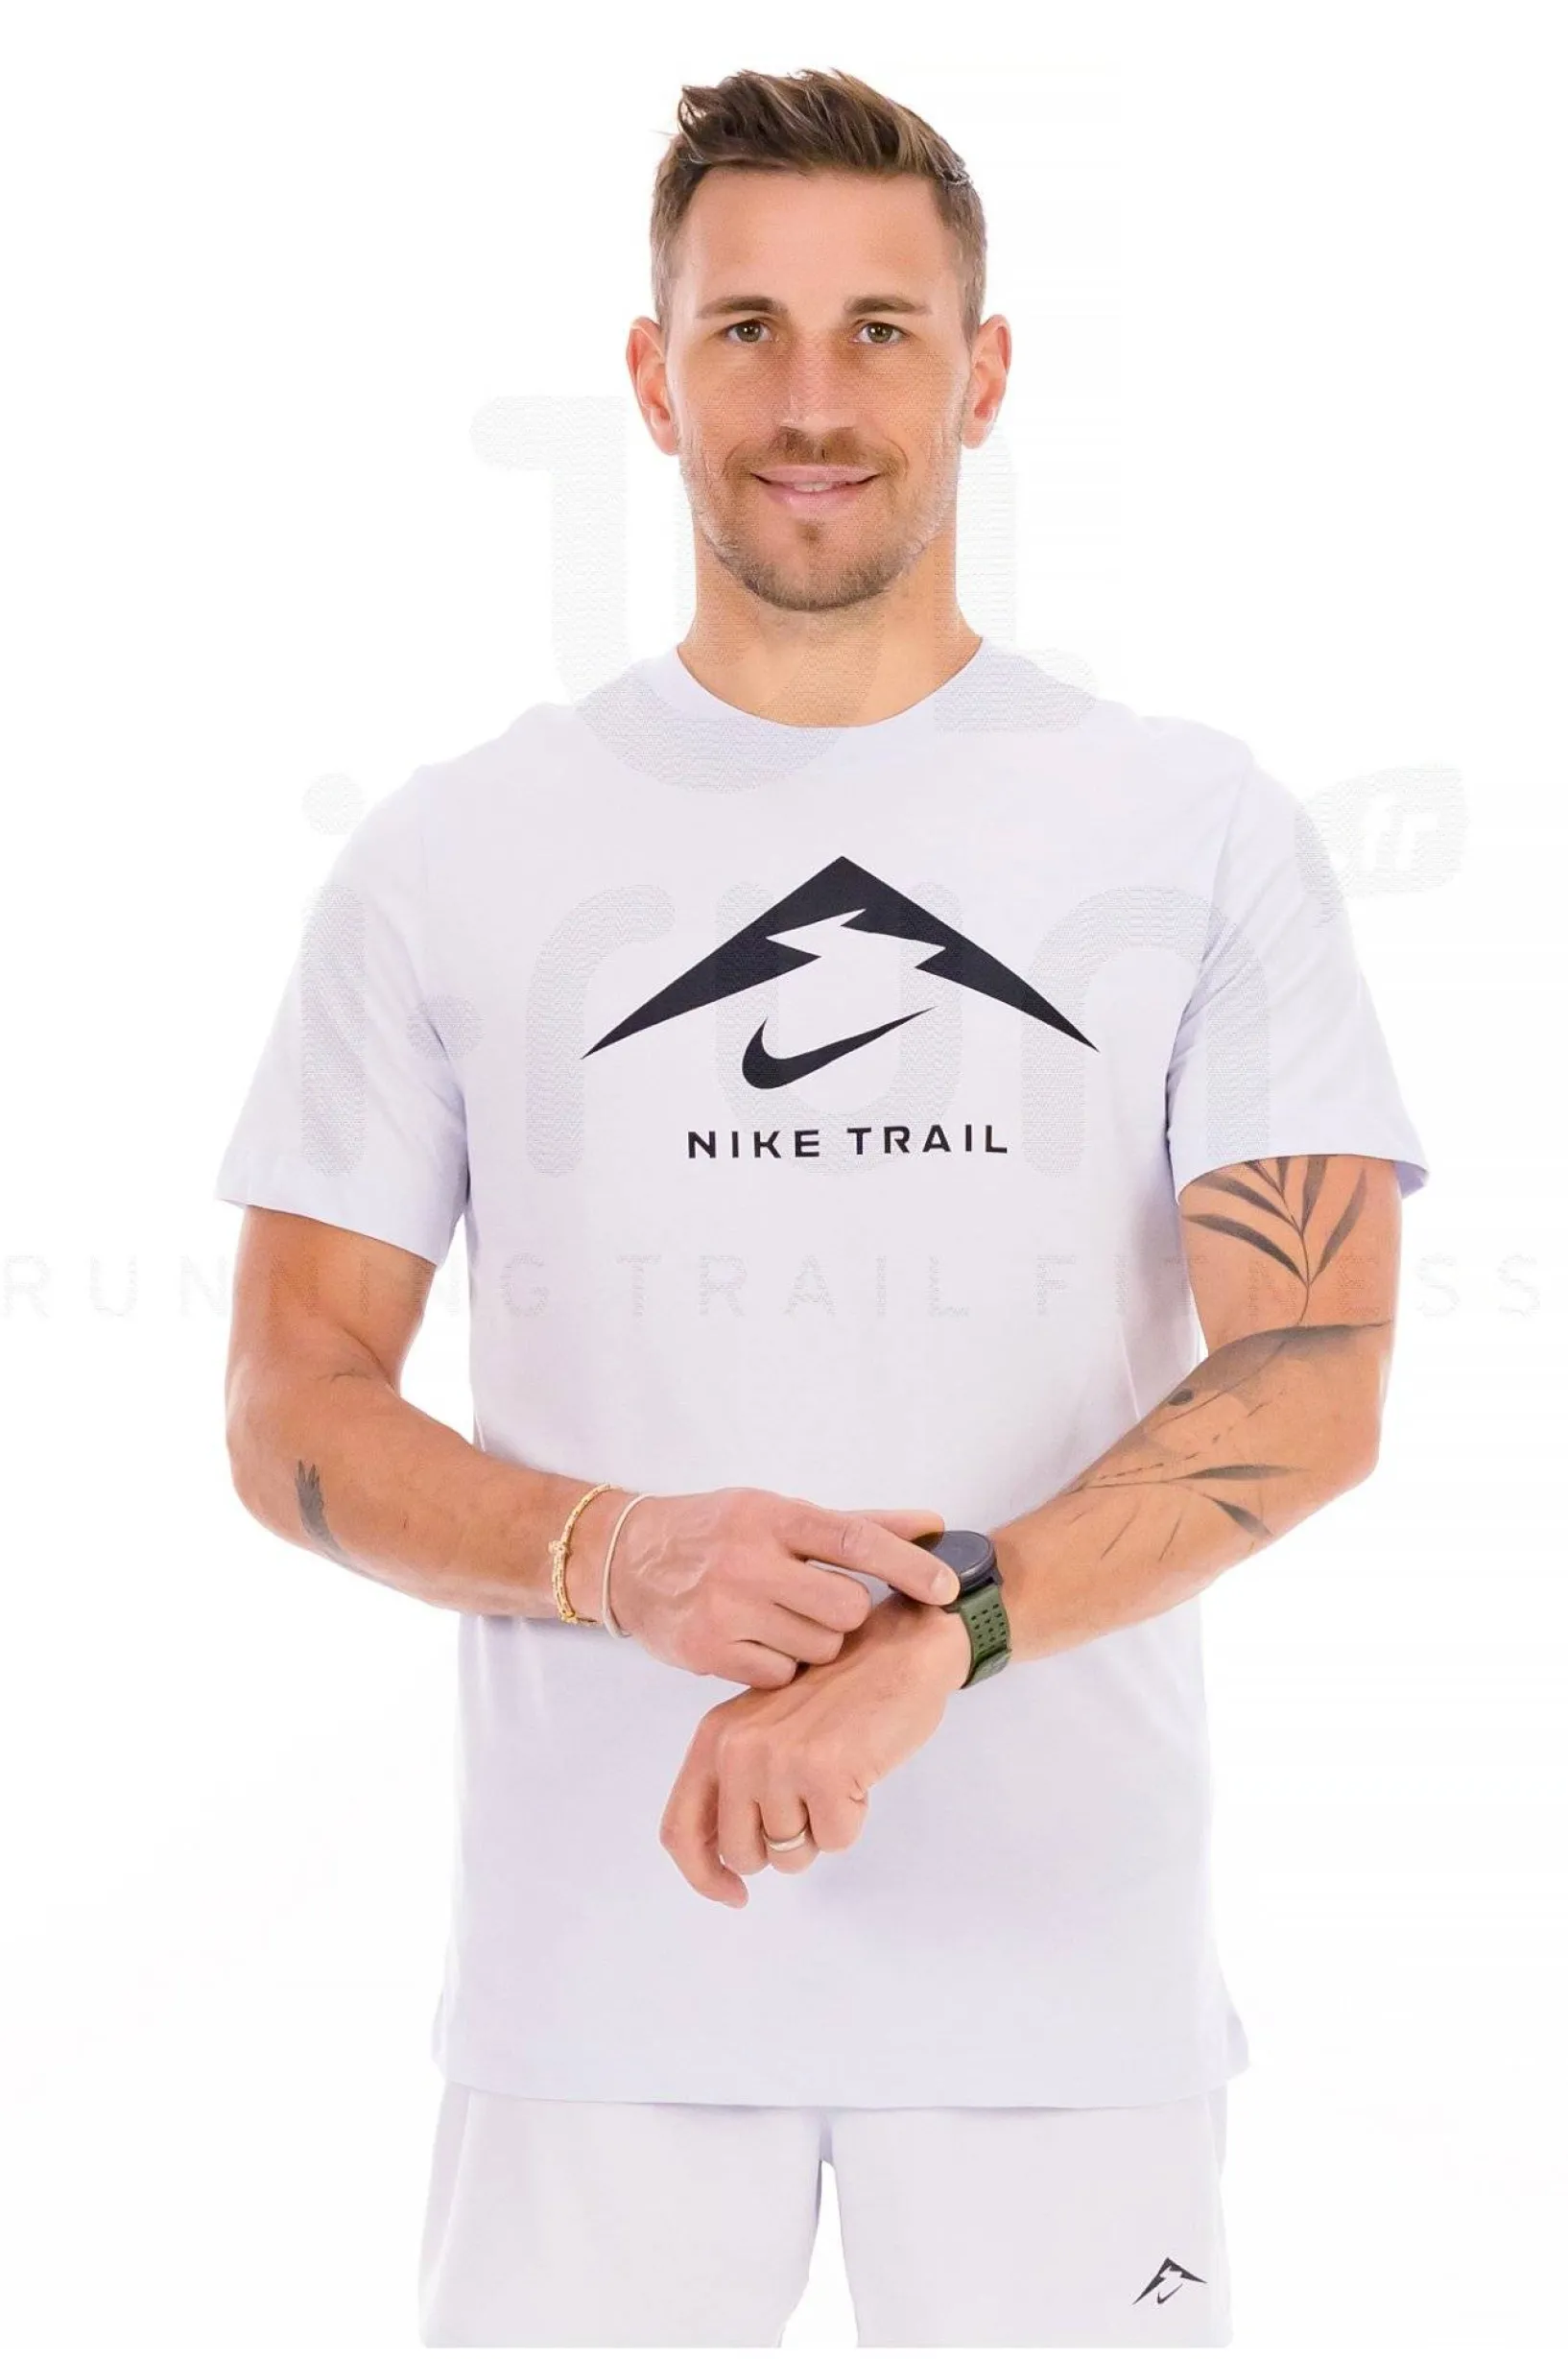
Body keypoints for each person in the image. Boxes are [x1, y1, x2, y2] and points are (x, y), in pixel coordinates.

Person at [214, 65, 1431, 2348]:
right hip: (596, 1998)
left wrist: (929, 1644)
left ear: (984, 371)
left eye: (880, 329)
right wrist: (615, 1547)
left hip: (1059, 1997)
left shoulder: (1187, 829)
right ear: (650, 372)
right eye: (746, 327)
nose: (809, 399)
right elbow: (288, 1396)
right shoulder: (455, 853)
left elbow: (1315, 1369)